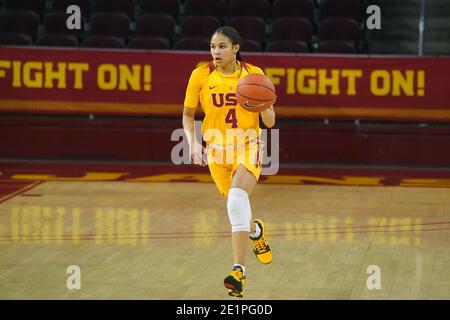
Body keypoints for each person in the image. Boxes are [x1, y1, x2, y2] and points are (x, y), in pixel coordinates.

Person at [182, 26, 275, 298]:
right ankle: (255, 230)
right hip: (216, 150)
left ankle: (239, 272)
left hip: (248, 144)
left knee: (236, 199)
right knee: (238, 209)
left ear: (236, 48)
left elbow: (270, 122)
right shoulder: (200, 76)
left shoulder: (254, 75)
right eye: (212, 47)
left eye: (222, 46)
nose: (216, 52)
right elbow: (187, 115)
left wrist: (263, 105)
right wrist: (193, 142)